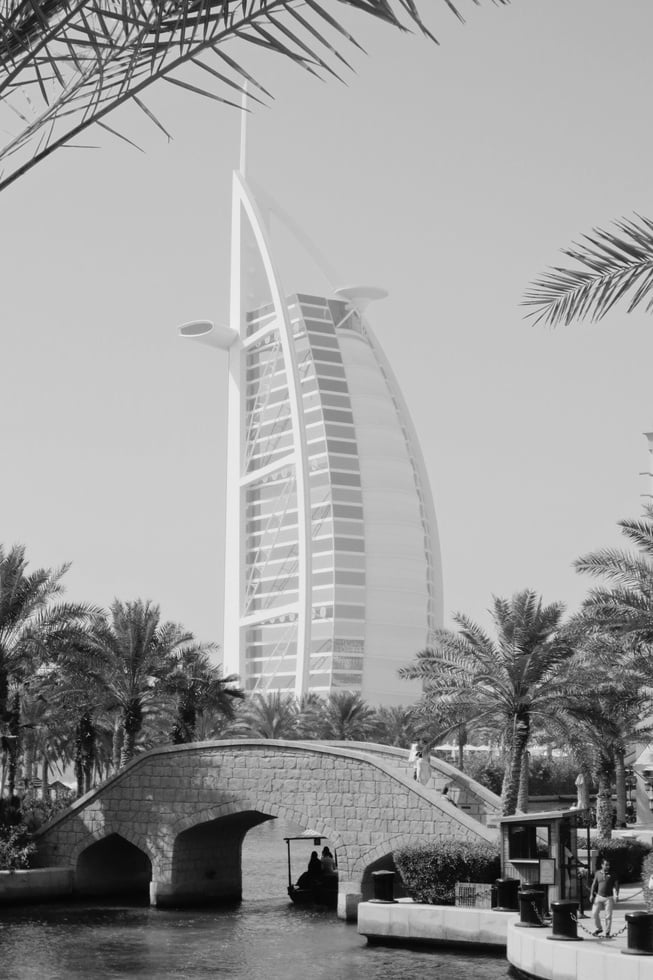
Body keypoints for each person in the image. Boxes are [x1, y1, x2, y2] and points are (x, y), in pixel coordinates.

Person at [589, 858, 619, 937]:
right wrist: (591, 895)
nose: (607, 866)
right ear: (602, 865)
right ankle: (599, 928)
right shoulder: (597, 873)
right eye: (606, 865)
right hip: (599, 897)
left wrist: (616, 895)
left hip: (609, 898)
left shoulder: (613, 874)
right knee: (594, 913)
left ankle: (607, 932)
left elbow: (616, 885)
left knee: (608, 915)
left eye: (608, 865)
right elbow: (594, 885)